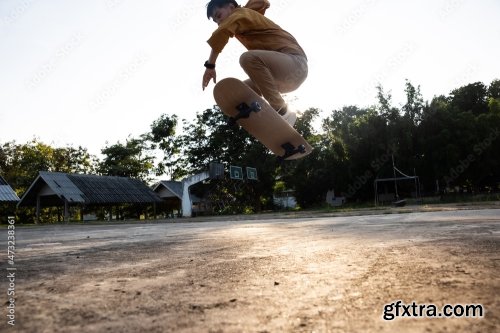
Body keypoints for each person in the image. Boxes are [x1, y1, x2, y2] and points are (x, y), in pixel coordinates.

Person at [201, 0, 308, 126]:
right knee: (236, 94)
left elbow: (222, 32)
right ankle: (255, 116)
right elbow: (262, 2)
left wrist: (210, 65)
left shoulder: (240, 13)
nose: (219, 23)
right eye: (216, 21)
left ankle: (282, 110)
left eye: (219, 16)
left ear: (231, 7)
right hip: (280, 77)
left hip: (294, 64)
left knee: (248, 58)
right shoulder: (247, 15)